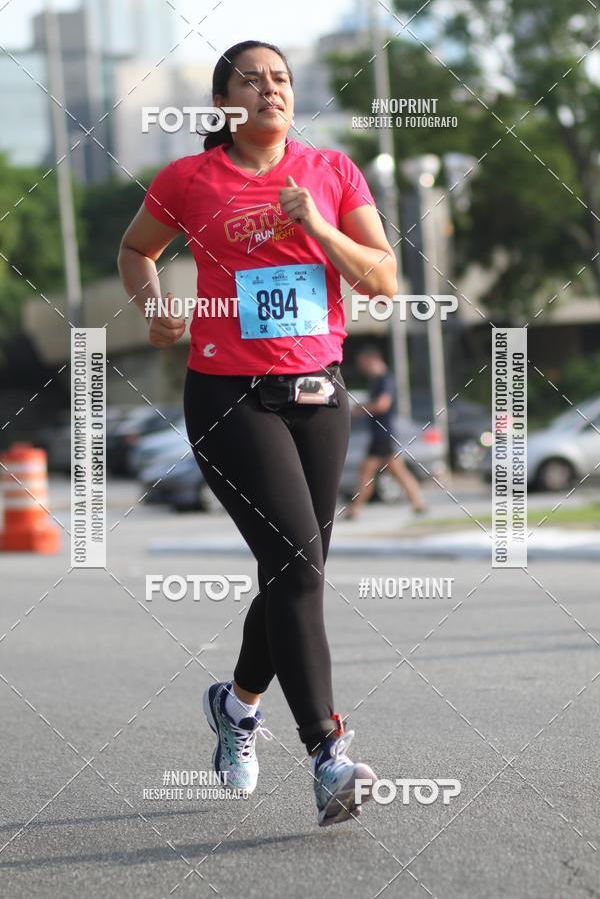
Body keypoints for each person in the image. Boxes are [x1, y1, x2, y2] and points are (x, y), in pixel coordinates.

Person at [118, 40, 397, 826]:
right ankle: (327, 753)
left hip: (321, 398)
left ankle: (237, 710)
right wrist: (153, 306)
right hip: (230, 397)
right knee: (300, 565)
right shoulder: (187, 180)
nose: (271, 89)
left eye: (280, 78)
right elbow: (137, 250)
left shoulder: (333, 173)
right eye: (253, 79)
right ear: (223, 102)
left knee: (291, 572)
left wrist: (317, 224)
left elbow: (383, 277)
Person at [345, 344, 426, 519]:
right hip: (381, 435)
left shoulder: (384, 379)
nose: (361, 367)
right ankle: (419, 503)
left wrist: (361, 409)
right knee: (398, 472)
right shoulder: (377, 380)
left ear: (372, 360)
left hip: (382, 435)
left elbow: (383, 404)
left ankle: (354, 509)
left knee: (366, 473)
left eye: (362, 363)